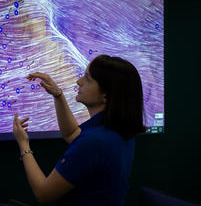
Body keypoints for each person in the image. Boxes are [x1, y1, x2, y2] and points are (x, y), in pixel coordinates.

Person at [12, 54, 146, 206]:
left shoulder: (93, 142)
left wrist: (23, 144)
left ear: (106, 96)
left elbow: (43, 194)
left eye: (88, 79)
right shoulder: (117, 131)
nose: (79, 81)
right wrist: (58, 95)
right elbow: (72, 134)